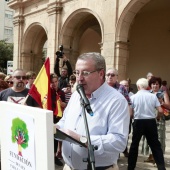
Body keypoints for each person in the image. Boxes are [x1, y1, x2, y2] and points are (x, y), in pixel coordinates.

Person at [55, 52, 130, 170]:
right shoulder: (76, 96)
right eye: (77, 72)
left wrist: (82, 139)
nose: (79, 78)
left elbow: (119, 142)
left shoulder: (116, 101)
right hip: (68, 167)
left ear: (101, 74)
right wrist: (55, 129)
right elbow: (64, 122)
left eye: (85, 73)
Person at [127, 78, 166, 170]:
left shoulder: (133, 97)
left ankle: (131, 167)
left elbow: (130, 114)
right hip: (150, 121)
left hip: (138, 121)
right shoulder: (153, 96)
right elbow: (160, 110)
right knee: (155, 145)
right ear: (147, 86)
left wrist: (133, 117)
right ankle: (161, 167)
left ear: (138, 86)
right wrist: (157, 117)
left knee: (134, 145)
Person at [142, 77, 170, 163]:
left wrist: (161, 102)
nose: (155, 85)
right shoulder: (147, 93)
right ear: (150, 85)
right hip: (148, 117)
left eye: (157, 84)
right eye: (153, 84)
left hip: (159, 118)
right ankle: (150, 156)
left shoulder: (163, 93)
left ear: (160, 85)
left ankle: (157, 156)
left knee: (159, 136)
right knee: (148, 136)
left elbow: (168, 106)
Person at [106, 68, 131, 157]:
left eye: (112, 75)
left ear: (117, 77)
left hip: (118, 117)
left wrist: (128, 117)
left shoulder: (121, 88)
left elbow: (128, 102)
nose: (110, 77)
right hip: (104, 117)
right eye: (108, 74)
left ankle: (115, 156)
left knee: (115, 137)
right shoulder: (101, 87)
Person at [50, 73, 66, 166]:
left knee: (56, 138)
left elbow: (65, 105)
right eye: (52, 82)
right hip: (49, 118)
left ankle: (55, 157)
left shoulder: (61, 92)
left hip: (58, 119)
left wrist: (63, 104)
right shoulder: (47, 92)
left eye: (56, 82)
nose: (54, 84)